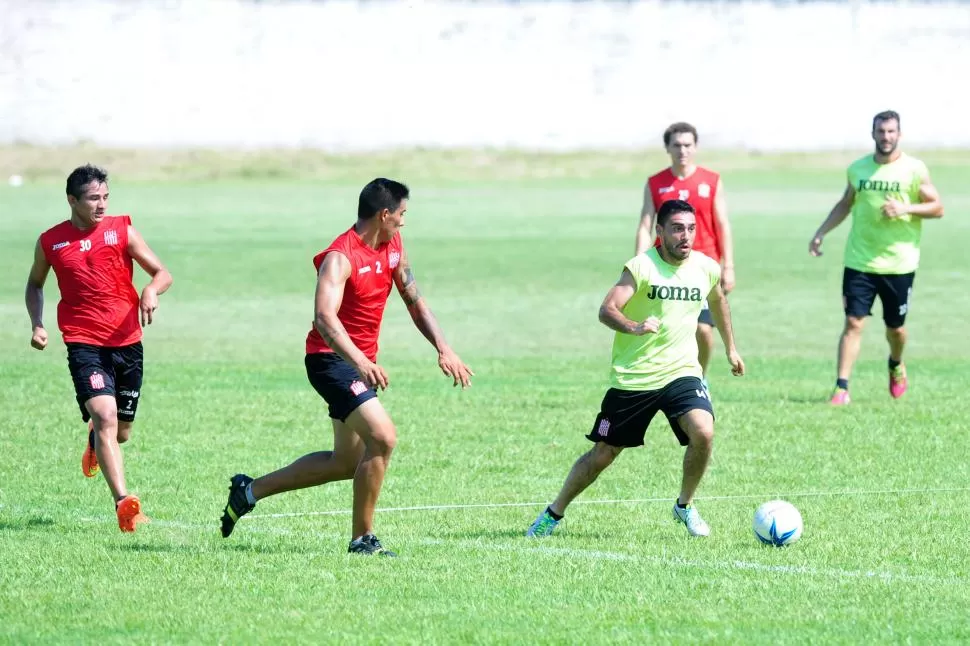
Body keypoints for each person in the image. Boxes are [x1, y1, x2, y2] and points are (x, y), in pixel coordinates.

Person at [220, 178, 473, 556]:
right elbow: (324, 318)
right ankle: (362, 539)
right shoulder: (341, 257)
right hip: (329, 361)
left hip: (358, 363)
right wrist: (361, 361)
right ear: (384, 214)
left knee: (345, 462)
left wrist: (444, 347)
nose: (404, 222)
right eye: (402, 214)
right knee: (383, 438)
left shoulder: (393, 247)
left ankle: (249, 491)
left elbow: (415, 302)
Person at [528, 199, 744, 539]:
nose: (685, 236)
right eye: (676, 228)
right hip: (635, 377)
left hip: (681, 371)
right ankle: (553, 514)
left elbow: (718, 300)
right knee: (603, 455)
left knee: (703, 431)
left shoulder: (705, 266)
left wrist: (731, 348)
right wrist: (634, 326)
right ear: (659, 231)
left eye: (690, 228)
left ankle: (684, 506)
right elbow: (606, 309)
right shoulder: (641, 267)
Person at [25, 164, 173, 533]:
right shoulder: (51, 241)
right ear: (72, 200)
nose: (102, 204)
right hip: (83, 342)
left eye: (106, 197)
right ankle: (124, 503)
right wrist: (38, 324)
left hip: (128, 342)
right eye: (94, 198)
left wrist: (151, 290)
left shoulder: (122, 230)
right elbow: (35, 284)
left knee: (120, 433)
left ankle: (96, 441)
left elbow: (162, 273)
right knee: (105, 417)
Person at [809, 110, 944, 405]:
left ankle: (896, 363)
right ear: (873, 134)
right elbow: (846, 203)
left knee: (895, 329)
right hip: (859, 260)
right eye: (881, 131)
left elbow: (937, 207)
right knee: (853, 323)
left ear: (900, 134)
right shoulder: (858, 169)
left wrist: (906, 209)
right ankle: (841, 388)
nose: (886, 137)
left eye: (891, 131)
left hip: (899, 263)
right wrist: (821, 232)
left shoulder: (914, 169)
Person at [636, 122, 735, 391]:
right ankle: (660, 381)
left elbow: (722, 223)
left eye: (688, 145)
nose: (683, 150)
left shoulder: (711, 180)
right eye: (677, 145)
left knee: (703, 330)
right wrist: (639, 263)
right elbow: (646, 224)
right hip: (664, 267)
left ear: (696, 147)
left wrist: (729, 266)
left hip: (702, 269)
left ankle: (698, 381)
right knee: (666, 329)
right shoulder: (656, 183)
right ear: (667, 148)